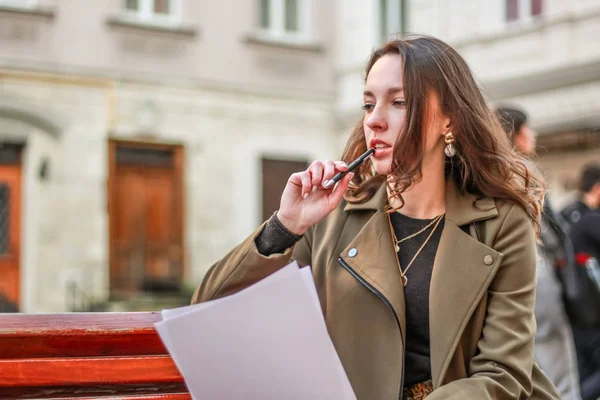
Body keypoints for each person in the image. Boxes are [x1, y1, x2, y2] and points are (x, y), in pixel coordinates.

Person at [192, 36, 560, 399]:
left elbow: (502, 373)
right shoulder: (331, 218)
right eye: (369, 105)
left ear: (449, 121)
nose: (375, 122)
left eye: (399, 102)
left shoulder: (501, 223)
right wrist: (285, 225)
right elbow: (207, 311)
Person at [496, 106, 582, 400]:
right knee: (559, 372)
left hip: (511, 285)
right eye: (526, 129)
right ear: (516, 135)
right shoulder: (521, 173)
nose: (532, 135)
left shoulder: (487, 174)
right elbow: (551, 236)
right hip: (539, 278)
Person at [562, 163, 600, 400]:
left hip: (571, 307)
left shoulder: (565, 214)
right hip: (592, 310)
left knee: (582, 371)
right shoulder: (591, 220)